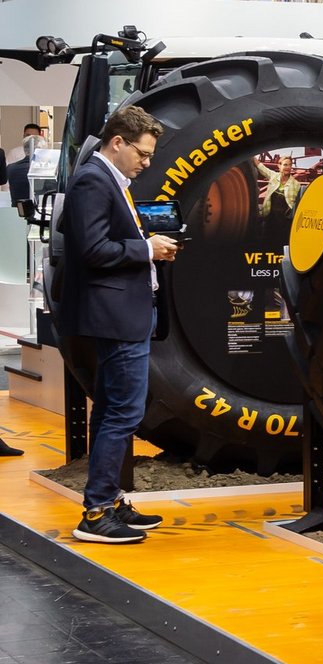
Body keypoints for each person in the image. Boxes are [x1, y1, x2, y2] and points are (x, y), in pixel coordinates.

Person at [55, 105, 180, 543]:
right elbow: (92, 250)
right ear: (118, 142)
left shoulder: (111, 181)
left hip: (122, 313)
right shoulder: (94, 180)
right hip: (115, 316)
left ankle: (109, 500)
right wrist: (147, 249)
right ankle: (96, 512)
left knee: (112, 409)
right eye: (142, 154)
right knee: (123, 411)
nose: (146, 162)